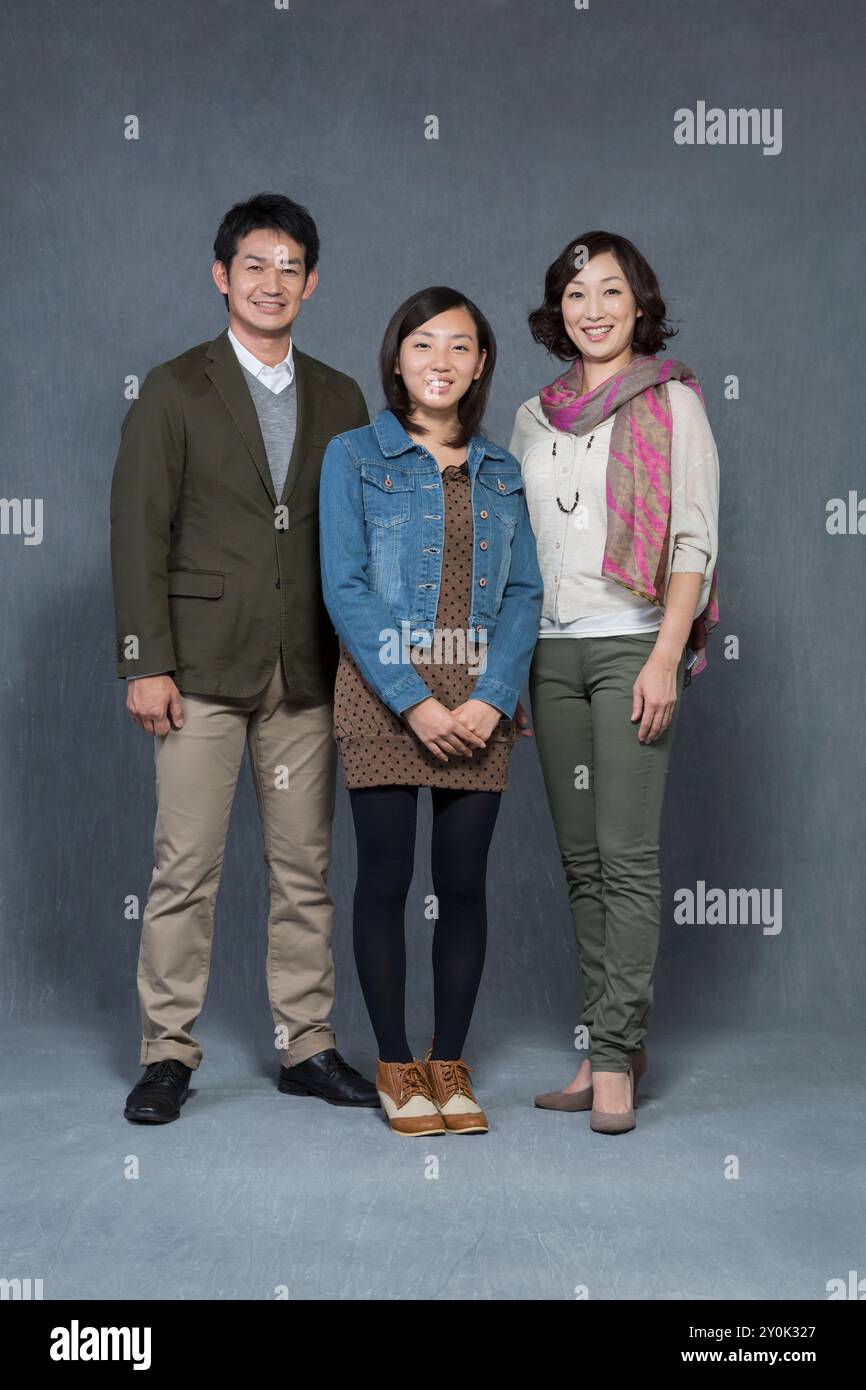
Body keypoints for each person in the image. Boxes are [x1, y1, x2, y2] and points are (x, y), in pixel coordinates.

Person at [111, 192, 378, 1123]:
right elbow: (139, 530)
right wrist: (145, 660)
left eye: (290, 266)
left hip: (305, 667)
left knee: (305, 869)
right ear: (222, 275)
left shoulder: (342, 395)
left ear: (313, 282)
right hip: (197, 670)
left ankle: (307, 1045)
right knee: (184, 866)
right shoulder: (174, 387)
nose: (273, 282)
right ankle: (167, 1052)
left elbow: (357, 536)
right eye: (254, 264)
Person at [319, 286, 543, 1136]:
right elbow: (344, 587)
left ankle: (449, 1062)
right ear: (397, 357)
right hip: (383, 696)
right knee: (385, 880)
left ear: (481, 363)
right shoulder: (355, 457)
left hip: (480, 705)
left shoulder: (503, 470)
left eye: (459, 347)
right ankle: (394, 1063)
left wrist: (491, 700)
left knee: (463, 884)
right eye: (423, 344)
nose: (440, 362)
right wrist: (413, 701)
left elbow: (524, 592)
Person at [510, 231, 719, 1134]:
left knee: (628, 859)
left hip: (633, 644)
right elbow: (516, 553)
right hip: (549, 655)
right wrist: (510, 667)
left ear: (640, 305)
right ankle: (611, 1041)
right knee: (582, 860)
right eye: (575, 294)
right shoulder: (531, 415)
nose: (592, 309)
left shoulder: (674, 404)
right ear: (559, 311)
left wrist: (666, 657)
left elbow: (693, 542)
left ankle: (612, 1064)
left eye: (609, 292)